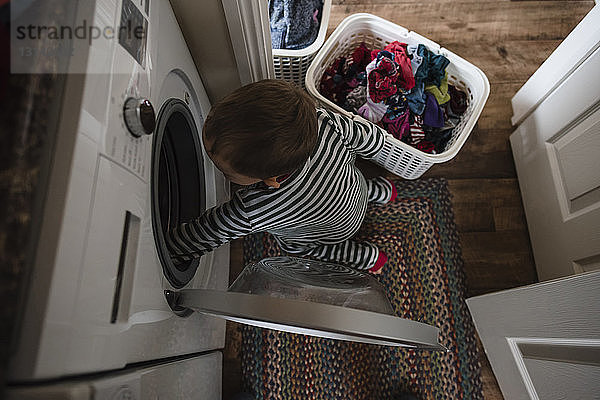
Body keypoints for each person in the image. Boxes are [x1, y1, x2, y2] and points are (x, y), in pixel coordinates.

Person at [166, 79, 397, 273]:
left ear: (271, 179)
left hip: (333, 233)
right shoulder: (325, 122)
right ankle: (381, 191)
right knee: (349, 181)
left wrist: (168, 247)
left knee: (298, 248)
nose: (221, 172)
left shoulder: (253, 209)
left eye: (225, 171)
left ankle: (363, 257)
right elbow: (373, 139)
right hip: (354, 193)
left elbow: (208, 232)